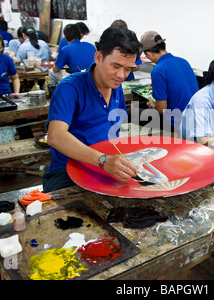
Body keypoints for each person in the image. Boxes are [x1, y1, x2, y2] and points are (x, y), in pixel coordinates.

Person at [43, 26, 141, 193]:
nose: (121, 75)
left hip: (104, 169)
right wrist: (103, 160)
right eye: (116, 66)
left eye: (128, 69)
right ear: (98, 57)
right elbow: (55, 136)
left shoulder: (116, 89)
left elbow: (112, 133)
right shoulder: (70, 88)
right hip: (67, 171)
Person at [140, 30, 199, 132]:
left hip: (177, 124)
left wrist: (153, 105)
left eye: (147, 56)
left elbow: (161, 109)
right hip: (196, 120)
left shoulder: (158, 70)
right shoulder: (183, 61)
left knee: (131, 113)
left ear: (149, 53)